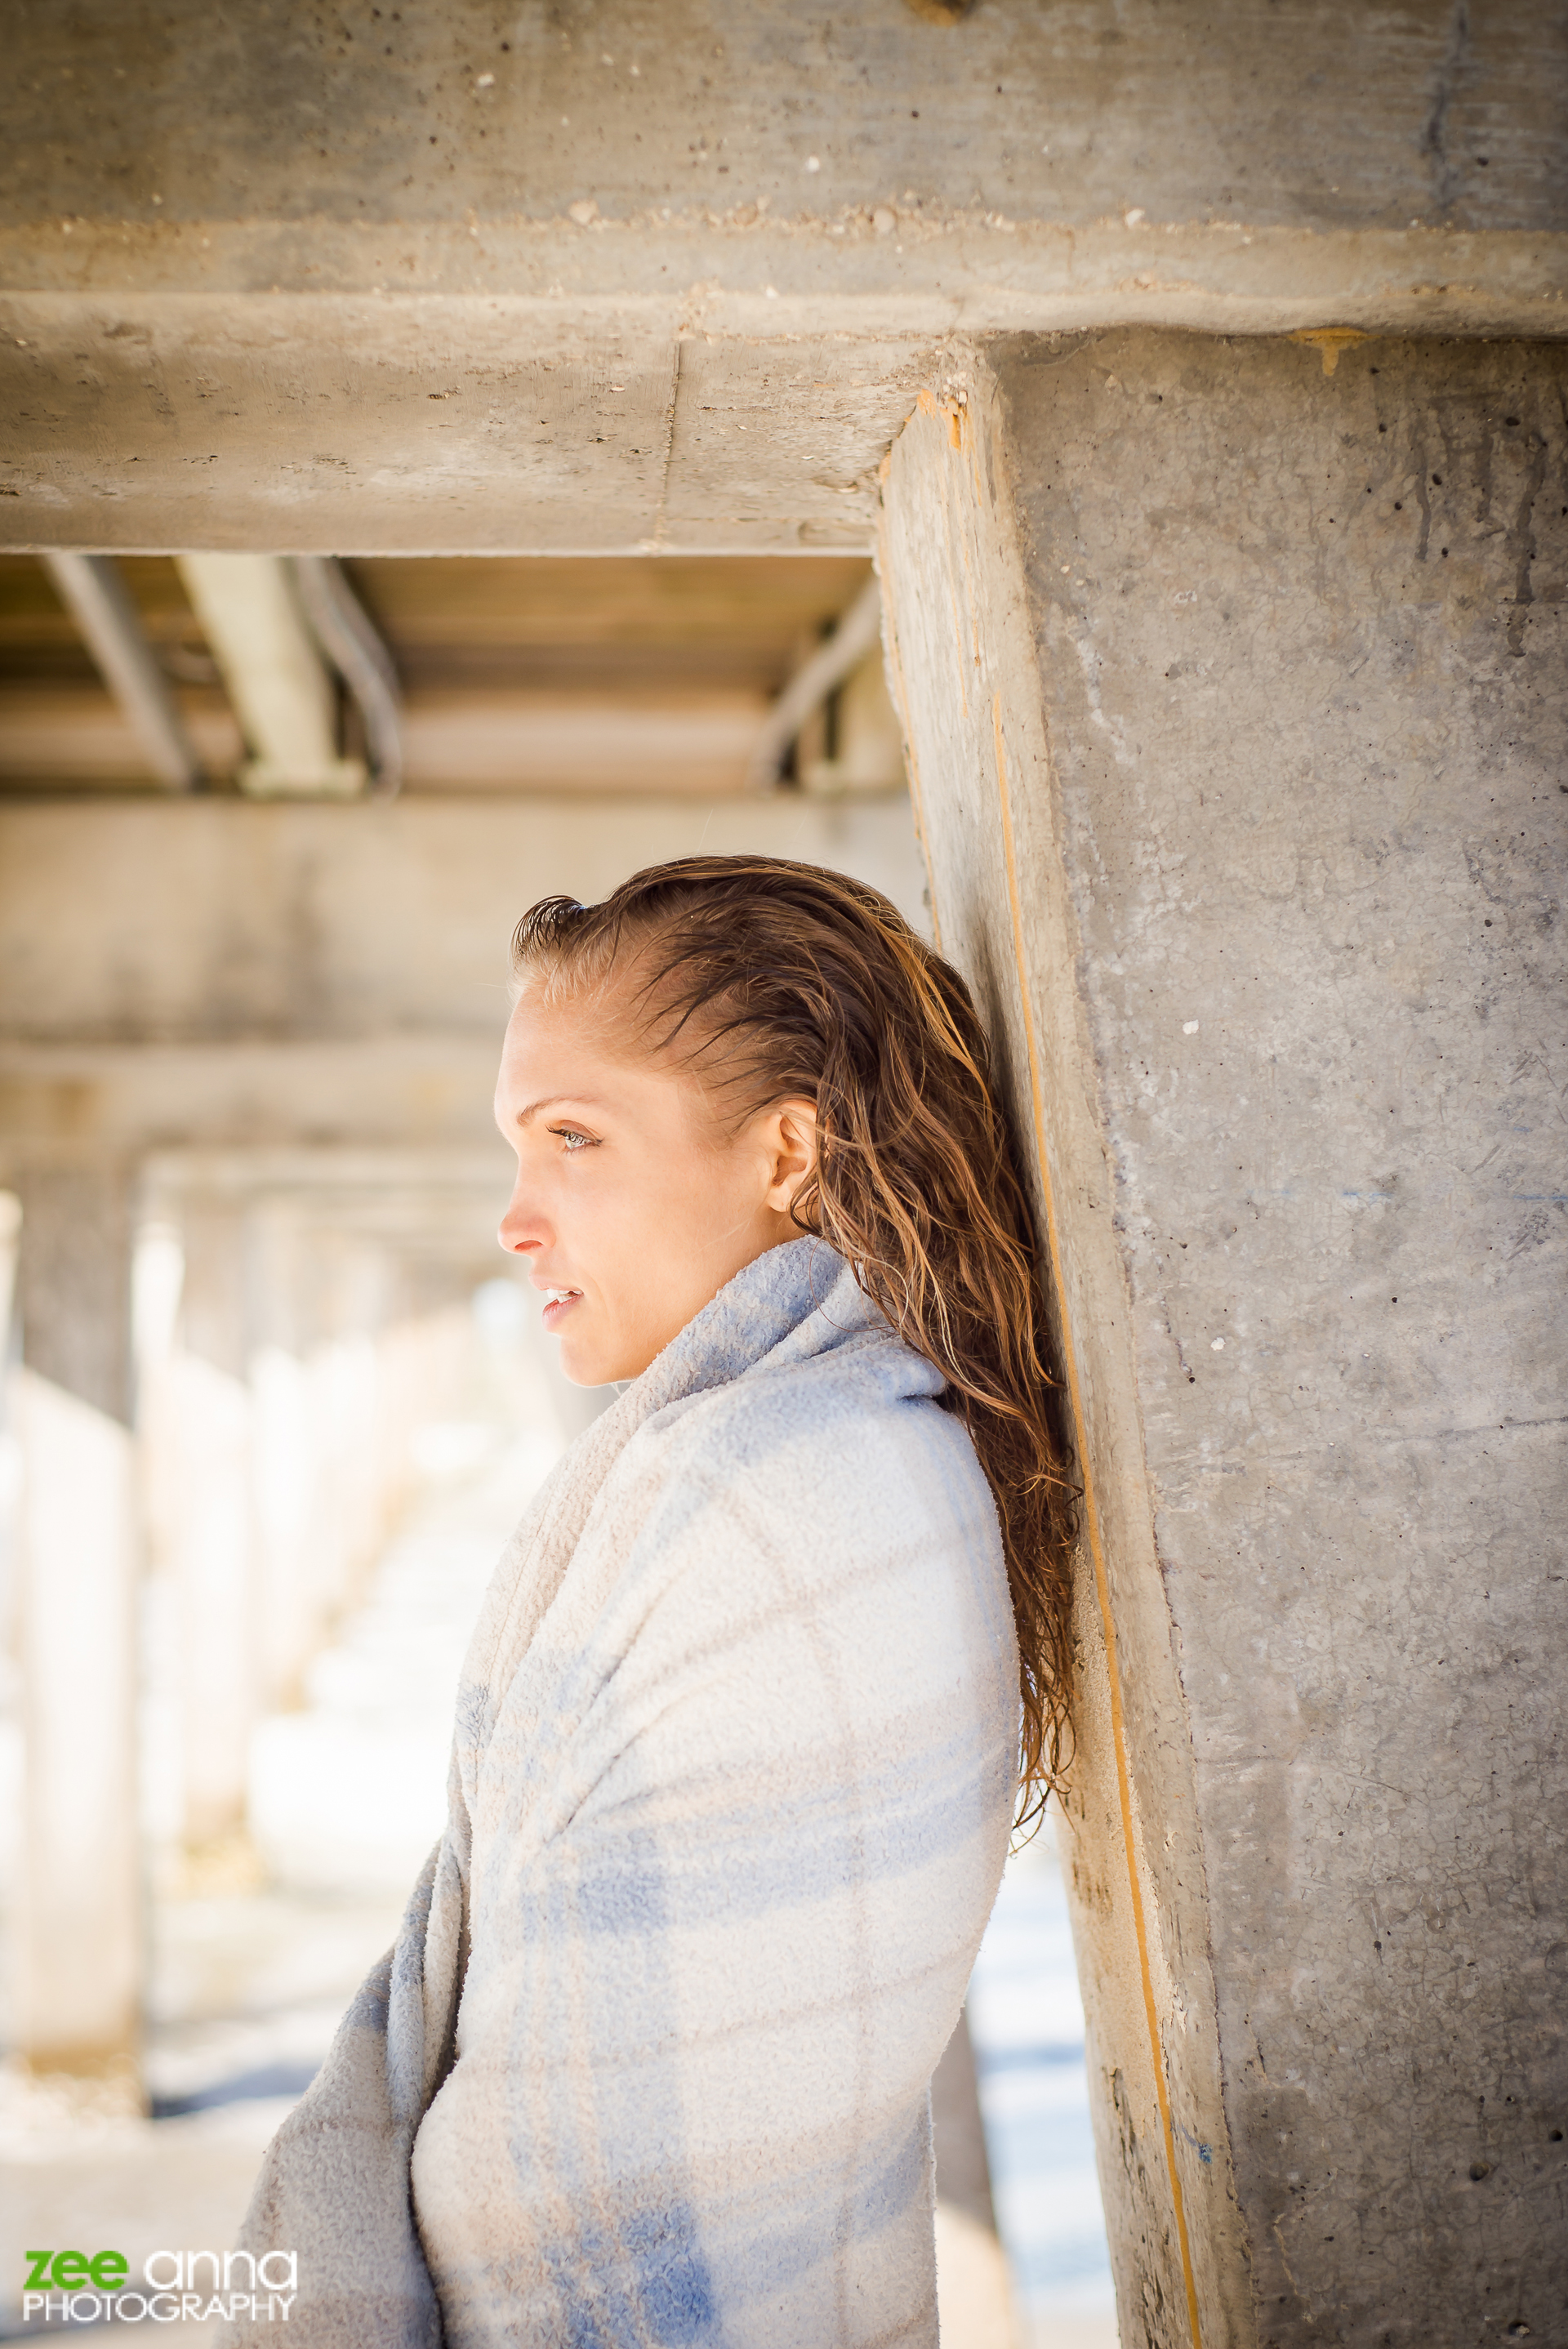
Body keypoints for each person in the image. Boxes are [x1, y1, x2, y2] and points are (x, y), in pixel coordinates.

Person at [220, 855, 1074, 2349]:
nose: (516, 1218)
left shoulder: (785, 1494)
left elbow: (585, 2184)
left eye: (572, 1139)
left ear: (789, 1151)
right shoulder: (822, 1450)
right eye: (516, 1149)